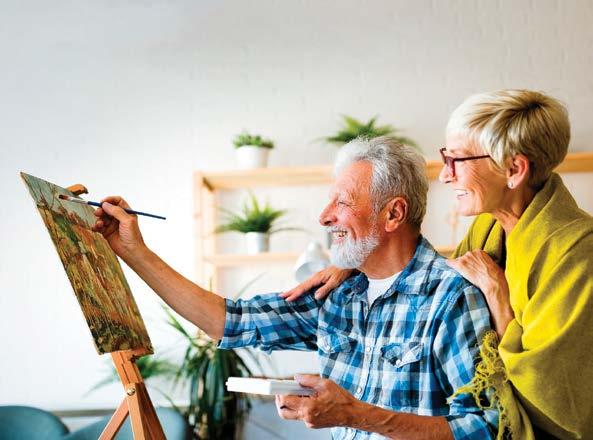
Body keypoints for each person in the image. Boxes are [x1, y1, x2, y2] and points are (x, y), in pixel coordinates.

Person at [93, 137, 498, 439]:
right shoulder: (338, 294)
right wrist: (133, 251)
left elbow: (488, 428)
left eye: (341, 202)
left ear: (393, 214)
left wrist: (356, 414)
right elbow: (229, 321)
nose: (324, 217)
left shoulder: (451, 297)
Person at [284, 90, 593, 439]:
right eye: (446, 158)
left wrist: (498, 300)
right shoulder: (489, 226)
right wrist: (356, 262)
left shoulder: (577, 251)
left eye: (457, 160)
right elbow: (444, 282)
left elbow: (555, 399)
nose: (445, 176)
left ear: (514, 169)